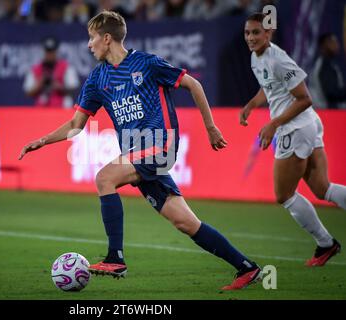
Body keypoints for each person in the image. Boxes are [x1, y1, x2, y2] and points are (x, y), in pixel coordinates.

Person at [19, 10, 262, 290]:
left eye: (92, 38)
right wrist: (43, 140)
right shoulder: (97, 79)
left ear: (106, 38)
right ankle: (246, 268)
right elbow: (76, 124)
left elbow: (193, 84)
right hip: (139, 153)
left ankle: (115, 258)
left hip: (160, 144)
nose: (89, 44)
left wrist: (210, 127)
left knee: (104, 178)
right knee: (185, 222)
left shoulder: (146, 64)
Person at [241, 13, 345, 267]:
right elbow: (270, 87)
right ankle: (325, 244)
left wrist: (273, 124)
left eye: (256, 33)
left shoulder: (279, 60)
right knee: (323, 188)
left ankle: (325, 243)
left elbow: (304, 98)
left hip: (295, 128)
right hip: (306, 125)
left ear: (269, 33)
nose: (251, 38)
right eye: (247, 33)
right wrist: (253, 104)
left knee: (284, 194)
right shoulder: (257, 58)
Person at [23, 37, 80, 108]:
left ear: (56, 51)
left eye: (52, 52)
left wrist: (59, 87)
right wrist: (40, 83)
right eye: (47, 52)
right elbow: (28, 92)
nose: (49, 55)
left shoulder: (66, 67)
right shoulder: (36, 69)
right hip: (40, 109)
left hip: (62, 109)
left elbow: (74, 89)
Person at [310, 33, 346, 109]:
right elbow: (331, 93)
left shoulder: (327, 63)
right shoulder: (325, 65)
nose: (336, 45)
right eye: (331, 42)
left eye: (336, 42)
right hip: (326, 112)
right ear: (323, 46)